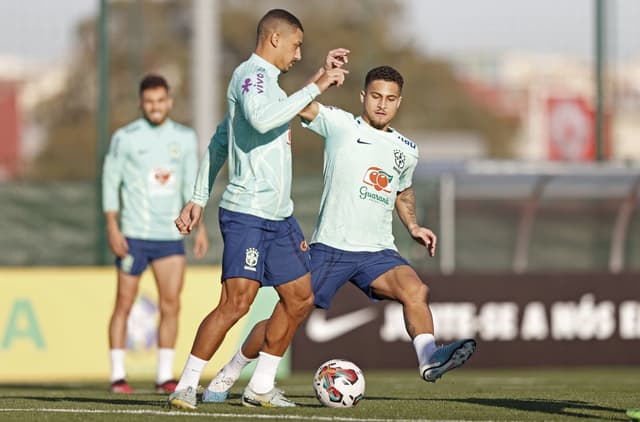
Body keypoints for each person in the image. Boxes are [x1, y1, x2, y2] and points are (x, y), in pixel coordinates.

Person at [200, 66, 477, 405]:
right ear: (364, 96)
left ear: (399, 103)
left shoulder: (407, 149)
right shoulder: (340, 123)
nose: (381, 104)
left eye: (390, 99)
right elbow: (298, 106)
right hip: (330, 248)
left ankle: (428, 357)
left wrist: (414, 226)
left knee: (415, 289)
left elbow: (403, 193)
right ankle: (232, 369)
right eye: (375, 96)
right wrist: (320, 79)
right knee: (284, 318)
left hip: (377, 251)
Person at [167, 9, 349, 409]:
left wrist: (197, 196)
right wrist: (317, 84)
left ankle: (260, 386)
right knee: (237, 304)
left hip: (279, 217)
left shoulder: (272, 86)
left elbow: (219, 141)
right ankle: (186, 385)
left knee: (300, 298)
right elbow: (262, 120)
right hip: (247, 213)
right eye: (296, 45)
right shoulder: (249, 76)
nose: (298, 54)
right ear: (274, 39)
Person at [102, 74, 209, 394]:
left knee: (171, 304)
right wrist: (112, 226)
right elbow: (111, 181)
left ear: (170, 102)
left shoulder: (185, 137)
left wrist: (200, 227)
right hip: (133, 234)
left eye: (160, 101)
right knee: (123, 302)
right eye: (149, 101)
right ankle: (118, 375)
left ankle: (165, 376)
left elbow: (194, 184)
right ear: (141, 103)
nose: (155, 107)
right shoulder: (125, 137)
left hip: (170, 237)